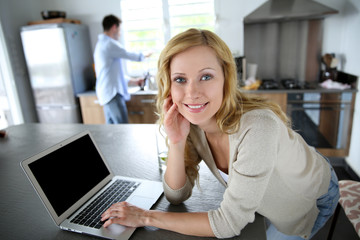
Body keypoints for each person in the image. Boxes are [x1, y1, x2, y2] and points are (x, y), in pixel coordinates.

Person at [101, 28, 340, 239]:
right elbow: (177, 195)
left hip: (311, 197)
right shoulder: (194, 124)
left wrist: (145, 217)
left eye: (206, 76)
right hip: (271, 190)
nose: (192, 92)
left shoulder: (257, 127)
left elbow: (227, 224)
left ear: (226, 78)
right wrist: (176, 141)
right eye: (180, 79)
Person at [94, 14, 151, 124]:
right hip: (112, 95)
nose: (120, 34)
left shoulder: (101, 44)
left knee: (113, 130)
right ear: (114, 27)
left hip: (107, 94)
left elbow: (111, 74)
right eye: (119, 30)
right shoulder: (109, 44)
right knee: (123, 129)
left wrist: (133, 81)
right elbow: (129, 54)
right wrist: (145, 55)